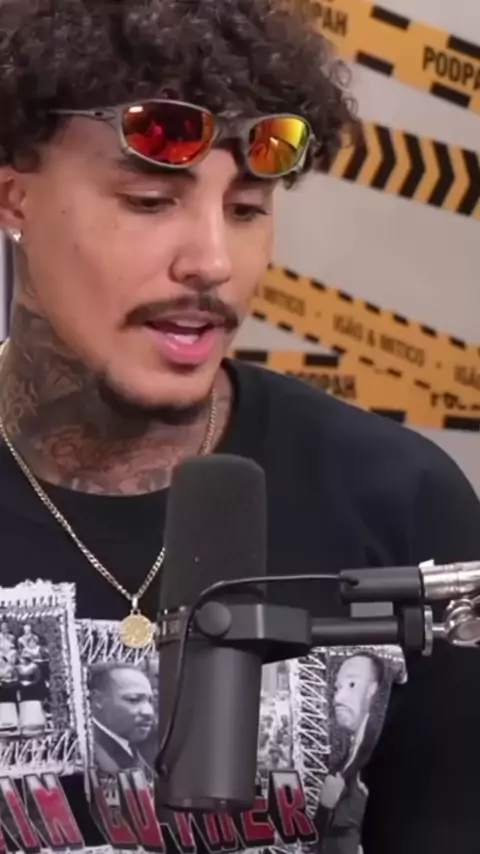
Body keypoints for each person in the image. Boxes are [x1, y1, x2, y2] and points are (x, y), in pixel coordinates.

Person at [0, 0, 478, 852]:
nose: (213, 262)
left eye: (249, 208)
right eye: (151, 200)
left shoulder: (400, 500)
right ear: (14, 197)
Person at [316, 656, 383, 853]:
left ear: (372, 689)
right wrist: (326, 804)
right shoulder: (349, 755)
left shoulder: (380, 748)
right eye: (337, 688)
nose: (337, 698)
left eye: (352, 684)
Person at [89, 663, 155, 774]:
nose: (149, 712)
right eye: (133, 700)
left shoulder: (130, 746)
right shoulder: (87, 754)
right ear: (98, 700)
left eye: (150, 701)